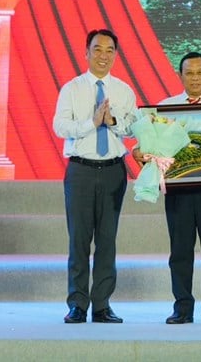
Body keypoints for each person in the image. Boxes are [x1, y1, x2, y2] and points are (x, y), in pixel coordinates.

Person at [132, 52, 201, 324]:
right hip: (178, 192)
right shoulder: (165, 109)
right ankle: (182, 308)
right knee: (180, 252)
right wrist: (138, 152)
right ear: (180, 76)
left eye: (200, 73)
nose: (195, 78)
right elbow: (146, 145)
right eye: (189, 73)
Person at [53, 29, 138, 324]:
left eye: (109, 50)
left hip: (114, 171)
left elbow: (133, 128)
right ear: (86, 52)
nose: (104, 55)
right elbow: (60, 127)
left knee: (107, 239)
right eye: (98, 49)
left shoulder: (124, 91)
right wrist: (92, 122)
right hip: (81, 170)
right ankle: (78, 303)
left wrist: (111, 120)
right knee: (79, 239)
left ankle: (102, 305)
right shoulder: (72, 89)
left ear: (116, 54)